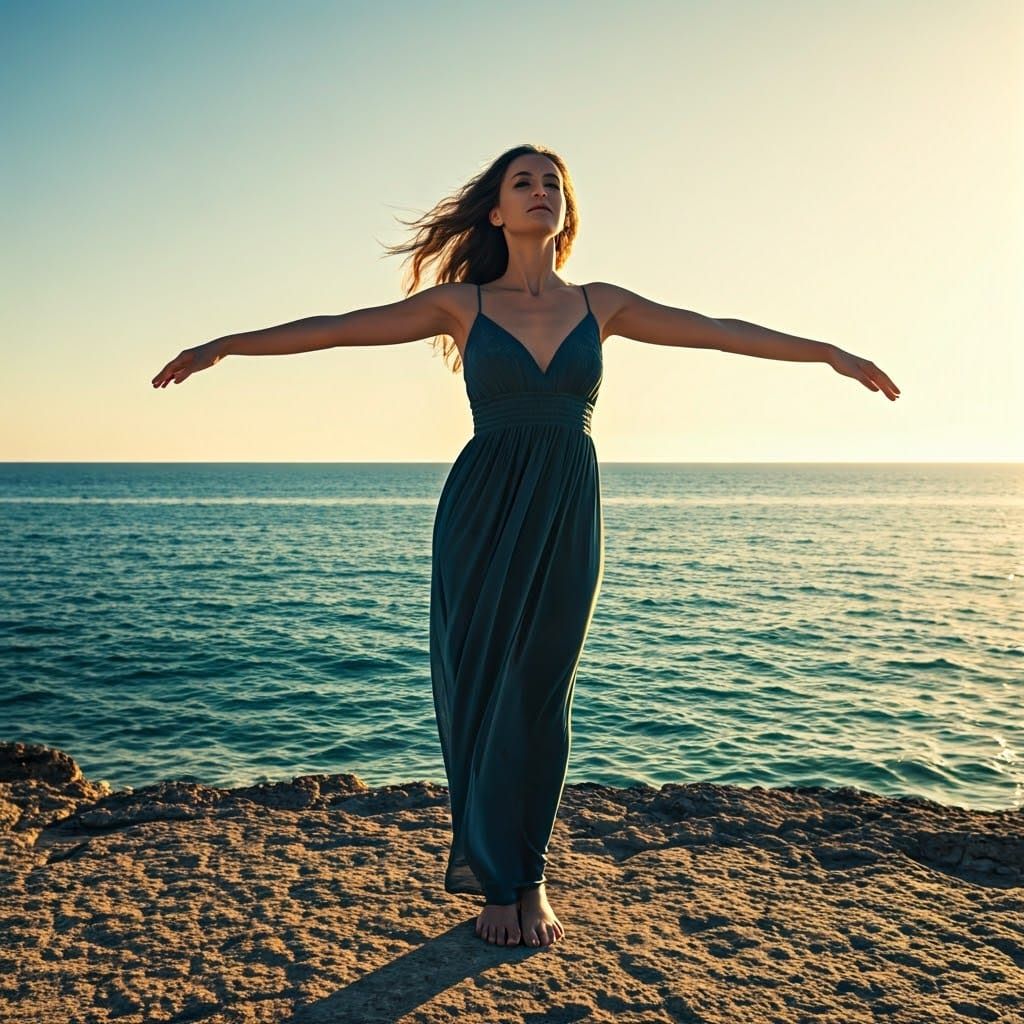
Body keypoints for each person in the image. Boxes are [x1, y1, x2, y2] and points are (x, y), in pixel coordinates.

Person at [151, 143, 902, 949]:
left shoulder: (599, 304)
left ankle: (527, 873)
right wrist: (225, 344)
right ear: (497, 212)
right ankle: (497, 879)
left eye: (553, 184)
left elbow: (717, 331)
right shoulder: (462, 305)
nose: (541, 192)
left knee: (542, 688)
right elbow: (337, 329)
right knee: (481, 683)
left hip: (566, 509)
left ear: (564, 211)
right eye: (524, 183)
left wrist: (828, 352)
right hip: (480, 510)